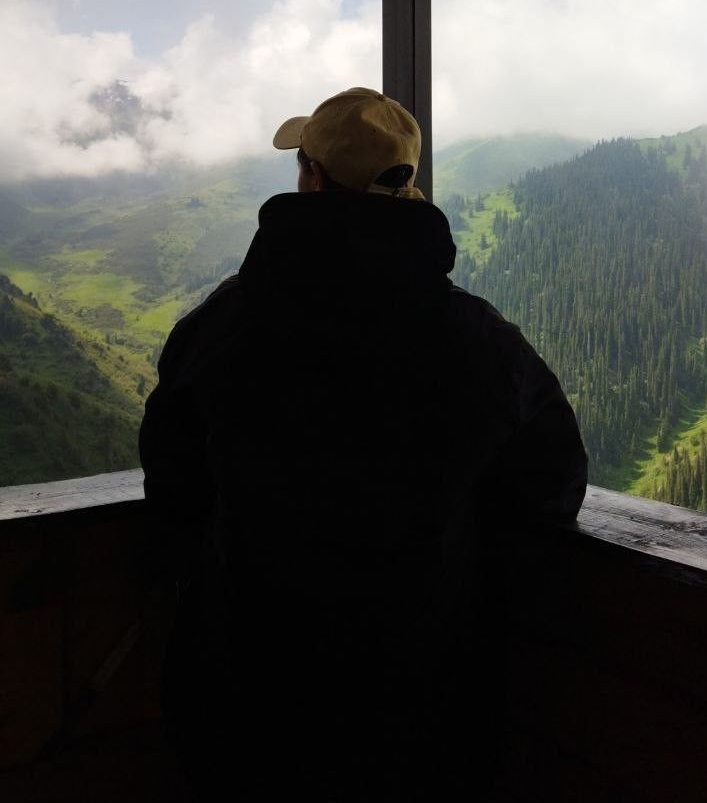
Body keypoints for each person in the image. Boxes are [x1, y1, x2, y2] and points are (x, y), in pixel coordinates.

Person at [139, 86, 587, 800]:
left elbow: (171, 480)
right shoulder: (480, 341)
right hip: (423, 696)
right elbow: (551, 486)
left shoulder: (226, 326)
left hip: (246, 689)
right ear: (408, 187)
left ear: (312, 180)